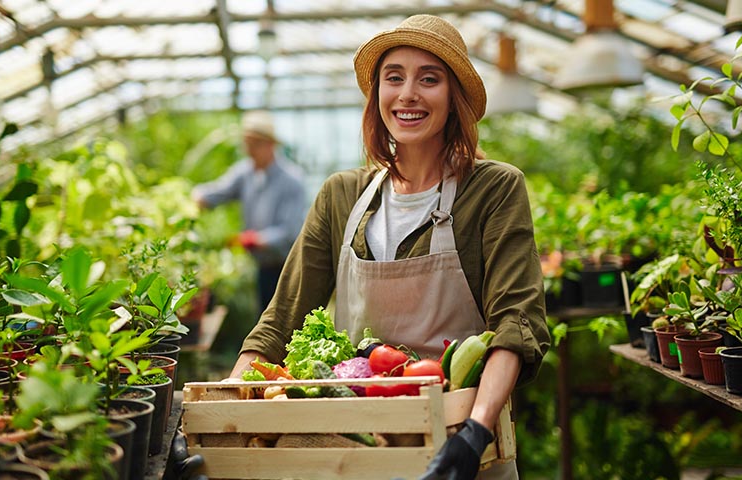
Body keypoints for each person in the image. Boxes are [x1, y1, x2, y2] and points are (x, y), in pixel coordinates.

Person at [228, 15, 550, 480]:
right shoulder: (341, 196)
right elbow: (280, 321)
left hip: (460, 446)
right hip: (355, 448)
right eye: (393, 77)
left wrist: (476, 432)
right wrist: (222, 407)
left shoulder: (493, 190)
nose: (408, 94)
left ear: (453, 96)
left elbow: (516, 323)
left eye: (429, 79)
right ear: (377, 93)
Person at [191, 110, 307, 312]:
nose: (249, 150)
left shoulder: (292, 180)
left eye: (255, 144)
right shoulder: (245, 173)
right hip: (263, 266)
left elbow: (290, 230)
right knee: (265, 315)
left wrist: (256, 239)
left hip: (288, 267)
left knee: (287, 319)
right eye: (247, 144)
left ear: (270, 145)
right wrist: (196, 197)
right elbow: (220, 192)